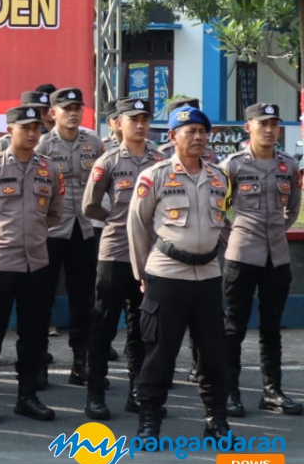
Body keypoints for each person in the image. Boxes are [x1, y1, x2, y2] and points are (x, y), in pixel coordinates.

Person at [128, 105, 231, 439]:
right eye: (190, 131)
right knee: (160, 353)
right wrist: (143, 274)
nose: (198, 137)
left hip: (208, 276)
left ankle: (216, 420)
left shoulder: (219, 177)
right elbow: (137, 225)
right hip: (167, 276)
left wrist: (222, 265)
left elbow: (225, 227)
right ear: (172, 137)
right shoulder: (154, 176)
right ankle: (149, 421)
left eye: (203, 131)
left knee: (213, 353)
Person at [0, 105, 64, 424]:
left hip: (36, 262)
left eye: (37, 127)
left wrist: (31, 235)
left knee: (33, 335)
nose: (33, 133)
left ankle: (27, 396)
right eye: (25, 127)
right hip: (0, 262)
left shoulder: (49, 169)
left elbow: (54, 213)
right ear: (10, 130)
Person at [81, 97, 164, 420]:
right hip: (115, 252)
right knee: (102, 325)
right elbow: (90, 205)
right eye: (134, 120)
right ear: (119, 123)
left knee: (142, 327)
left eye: (145, 119)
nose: (141, 125)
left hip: (150, 256)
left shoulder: (160, 161)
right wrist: (120, 219)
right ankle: (95, 394)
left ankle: (138, 392)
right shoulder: (109, 161)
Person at [221, 102, 302, 417]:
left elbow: (293, 206)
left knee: (271, 328)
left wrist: (280, 229)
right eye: (263, 124)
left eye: (274, 124)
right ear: (248, 127)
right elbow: (218, 208)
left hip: (277, 258)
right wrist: (234, 236)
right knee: (234, 327)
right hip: (242, 255)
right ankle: (230, 392)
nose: (269, 130)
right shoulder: (233, 165)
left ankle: (273, 391)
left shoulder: (289, 166)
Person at [35, 87, 104, 386]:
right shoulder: (43, 145)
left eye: (78, 107)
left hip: (85, 228)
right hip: (51, 230)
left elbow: (104, 182)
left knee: (84, 296)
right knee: (42, 296)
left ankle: (81, 361)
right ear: (53, 113)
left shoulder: (93, 141)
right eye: (67, 108)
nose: (73, 113)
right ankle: (38, 361)